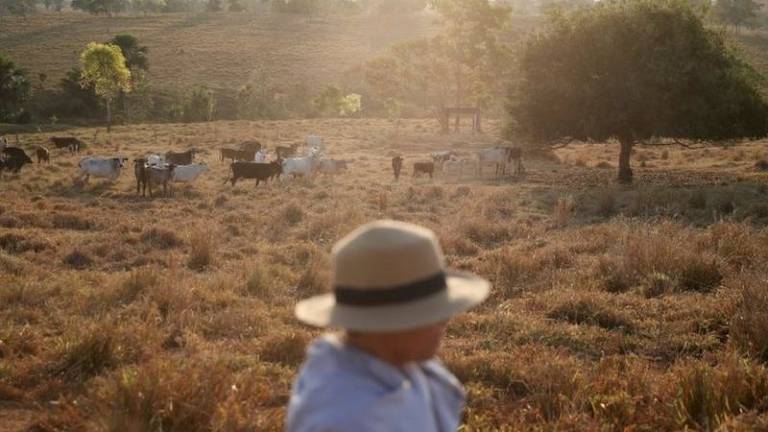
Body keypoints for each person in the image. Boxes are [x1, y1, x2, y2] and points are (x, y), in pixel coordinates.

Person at [287, 220, 491, 432]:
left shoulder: (397, 362)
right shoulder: (348, 420)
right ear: (388, 322)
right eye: (433, 312)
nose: (445, 320)